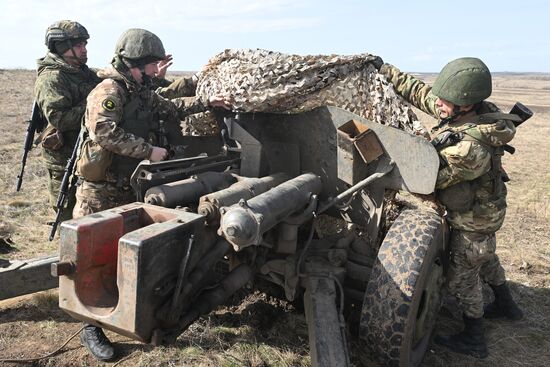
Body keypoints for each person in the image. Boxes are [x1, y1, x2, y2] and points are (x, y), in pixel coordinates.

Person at [73, 28, 229, 361]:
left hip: (128, 185)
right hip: (100, 190)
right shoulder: (109, 90)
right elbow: (103, 131)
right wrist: (149, 151)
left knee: (125, 248)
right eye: (151, 65)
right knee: (90, 256)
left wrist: (207, 102)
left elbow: (171, 108)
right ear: (135, 64)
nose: (155, 71)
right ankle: (89, 325)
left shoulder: (140, 90)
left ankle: (128, 307)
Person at [375, 57, 523, 359]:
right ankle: (508, 306)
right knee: (485, 256)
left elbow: (429, 181)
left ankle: (474, 337)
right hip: (483, 212)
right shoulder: (465, 109)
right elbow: (419, 93)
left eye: (444, 102)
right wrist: (383, 70)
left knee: (462, 276)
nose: (437, 104)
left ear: (464, 106)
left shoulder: (471, 148)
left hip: (475, 219)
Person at [35, 20, 101, 220]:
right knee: (66, 216)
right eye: (79, 45)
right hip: (64, 161)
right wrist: (94, 101)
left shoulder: (82, 73)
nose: (84, 49)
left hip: (84, 156)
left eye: (85, 44)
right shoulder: (52, 78)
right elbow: (61, 119)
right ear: (63, 47)